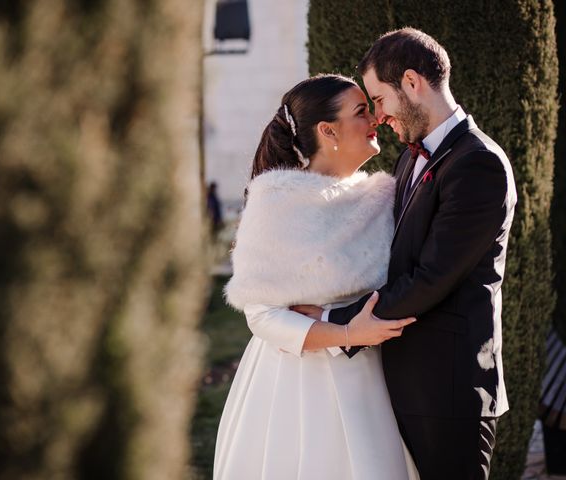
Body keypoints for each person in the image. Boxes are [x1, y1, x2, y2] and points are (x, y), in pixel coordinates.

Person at [294, 29, 516, 479]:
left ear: (412, 83)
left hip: (450, 387)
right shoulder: (410, 159)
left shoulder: (479, 163)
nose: (377, 116)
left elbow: (433, 277)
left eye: (379, 99)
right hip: (404, 380)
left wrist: (334, 322)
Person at [214, 74, 419, 480]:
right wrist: (345, 333)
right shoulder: (276, 202)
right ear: (328, 130)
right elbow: (263, 315)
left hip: (376, 376)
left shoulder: (383, 198)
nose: (376, 119)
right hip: (294, 384)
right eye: (362, 111)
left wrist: (338, 321)